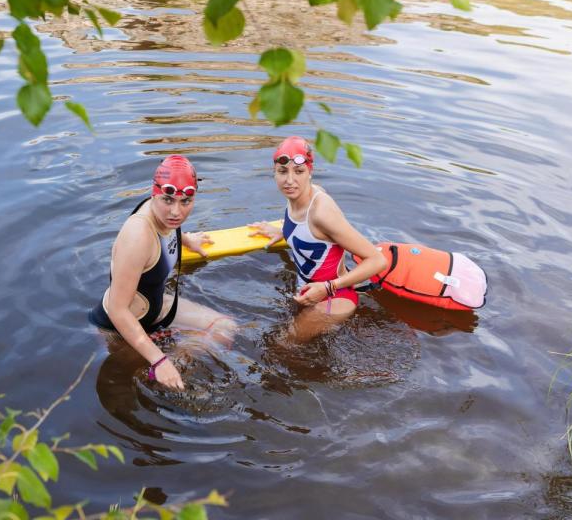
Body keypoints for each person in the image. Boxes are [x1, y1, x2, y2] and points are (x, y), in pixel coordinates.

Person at [89, 155, 236, 390]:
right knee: (162, 379)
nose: (176, 212)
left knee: (224, 327)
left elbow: (168, 224)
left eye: (186, 201)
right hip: (119, 330)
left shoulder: (166, 217)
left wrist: (186, 239)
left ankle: (174, 360)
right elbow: (118, 310)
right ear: (153, 192)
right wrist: (159, 360)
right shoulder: (138, 236)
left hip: (154, 309)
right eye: (168, 200)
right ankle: (164, 368)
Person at [247, 136, 386, 343]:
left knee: (282, 345)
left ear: (310, 172)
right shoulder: (296, 197)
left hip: (335, 297)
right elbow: (310, 233)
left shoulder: (321, 213)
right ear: (274, 173)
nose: (290, 180)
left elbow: (377, 260)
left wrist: (327, 288)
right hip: (309, 292)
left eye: (299, 172)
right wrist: (283, 230)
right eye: (283, 172)